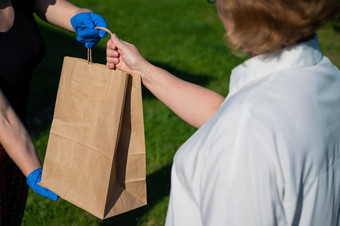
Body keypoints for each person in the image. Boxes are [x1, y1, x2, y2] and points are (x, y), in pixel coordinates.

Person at [106, 0, 340, 225]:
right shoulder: (326, 77)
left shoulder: (245, 130)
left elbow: (239, 128)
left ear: (238, 12)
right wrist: (141, 69)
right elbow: (221, 114)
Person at [0, 0, 108, 225]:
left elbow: (45, 3)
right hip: (10, 132)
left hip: (17, 137)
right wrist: (33, 169)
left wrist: (79, 16)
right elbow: (3, 117)